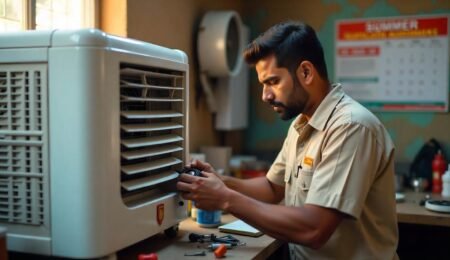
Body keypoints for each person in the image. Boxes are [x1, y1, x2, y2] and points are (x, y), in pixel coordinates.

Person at [177, 21, 398, 259]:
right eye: (263, 84)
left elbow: (315, 228)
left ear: (305, 72)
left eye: (273, 82)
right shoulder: (301, 124)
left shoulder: (350, 127)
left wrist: (226, 199)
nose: (265, 96)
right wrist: (220, 181)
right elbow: (272, 188)